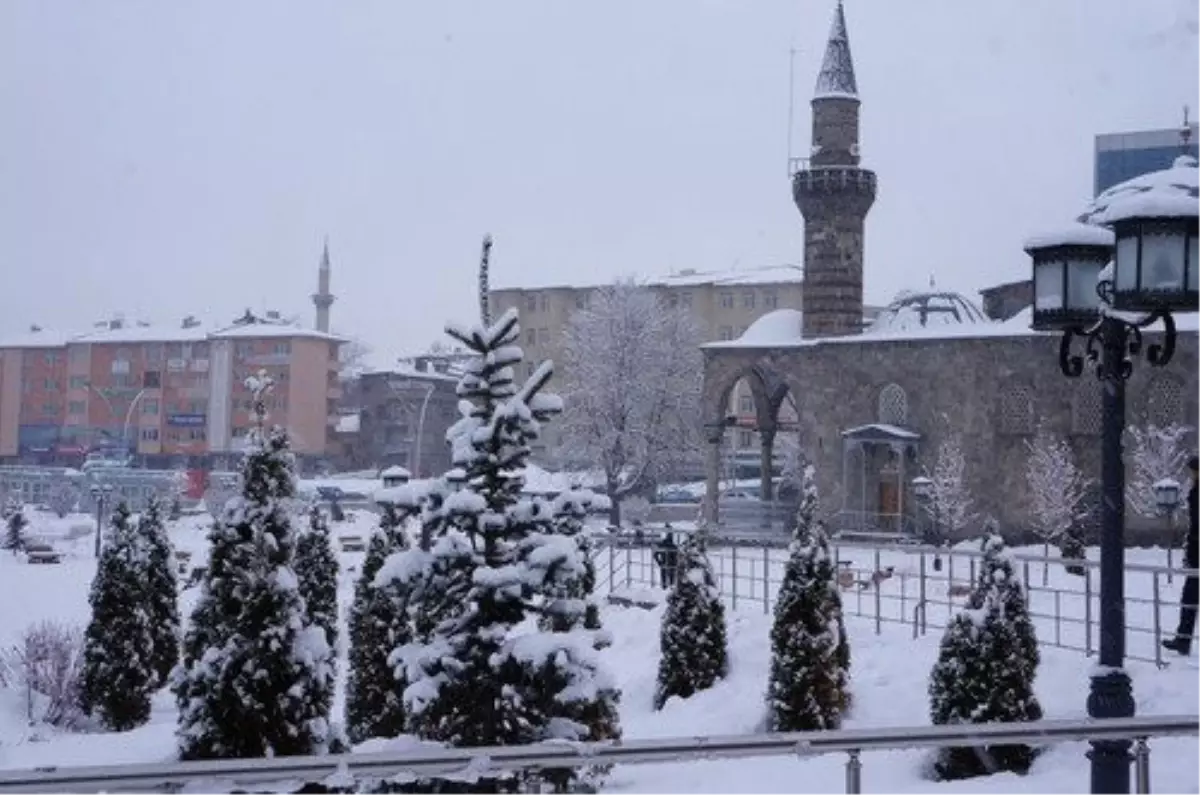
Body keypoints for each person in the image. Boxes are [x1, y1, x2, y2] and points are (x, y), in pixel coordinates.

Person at [1163, 456, 1200, 656]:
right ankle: (1183, 639)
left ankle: (1183, 640)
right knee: (1189, 599)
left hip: (1198, 553)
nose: (1191, 474)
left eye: (1194, 470)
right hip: (1196, 553)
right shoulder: (1196, 490)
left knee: (1190, 598)